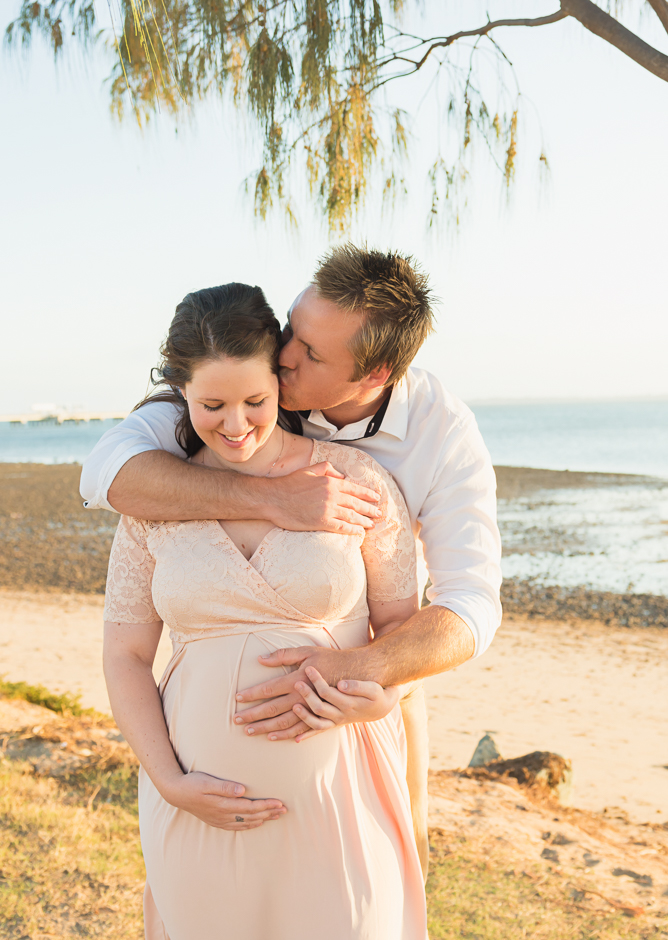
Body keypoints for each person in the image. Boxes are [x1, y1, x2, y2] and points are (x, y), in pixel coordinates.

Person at [83, 245, 503, 877]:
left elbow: (469, 603)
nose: (285, 355)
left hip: (364, 719)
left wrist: (369, 674)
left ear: (374, 375)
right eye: (292, 329)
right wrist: (273, 497)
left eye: (311, 353)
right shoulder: (232, 389)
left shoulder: (441, 437)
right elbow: (106, 477)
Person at [103, 282, 426, 939]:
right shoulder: (155, 499)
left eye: (255, 401)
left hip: (340, 792)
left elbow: (404, 632)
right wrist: (167, 779)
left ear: (281, 383)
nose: (236, 424)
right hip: (198, 807)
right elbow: (126, 655)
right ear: (180, 395)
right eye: (211, 405)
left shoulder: (357, 482)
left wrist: (384, 697)